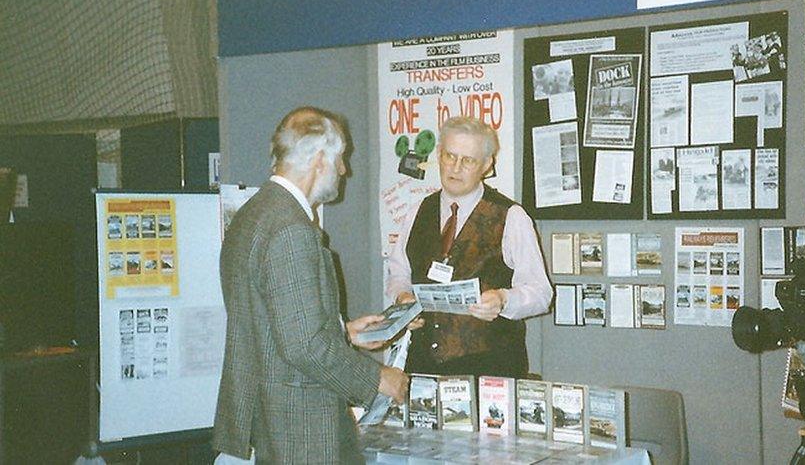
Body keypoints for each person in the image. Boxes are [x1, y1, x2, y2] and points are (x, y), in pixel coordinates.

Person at [213, 106, 409, 464]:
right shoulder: (291, 229)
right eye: (341, 159)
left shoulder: (252, 214)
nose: (344, 170)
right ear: (320, 158)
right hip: (296, 431)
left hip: (262, 423)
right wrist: (378, 378)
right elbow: (304, 346)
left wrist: (342, 331)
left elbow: (271, 324)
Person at [386, 116, 553, 378]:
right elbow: (398, 273)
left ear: (487, 165)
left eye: (468, 160)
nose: (456, 167)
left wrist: (503, 300)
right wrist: (402, 299)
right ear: (439, 155)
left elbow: (541, 294)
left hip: (490, 368)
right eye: (450, 156)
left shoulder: (511, 216)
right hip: (422, 366)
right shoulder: (418, 211)